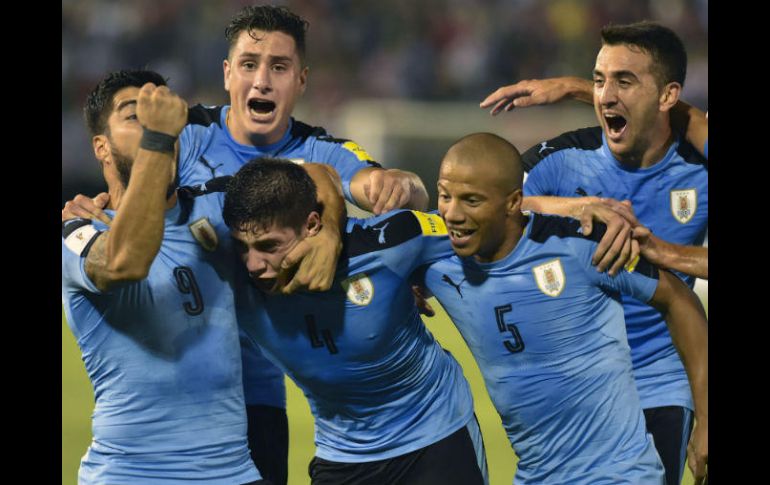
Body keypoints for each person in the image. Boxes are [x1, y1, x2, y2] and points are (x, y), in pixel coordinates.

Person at [63, 7, 431, 483]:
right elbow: (132, 190)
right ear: (227, 73)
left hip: (251, 396)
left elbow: (344, 180)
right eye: (250, 64)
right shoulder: (184, 131)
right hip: (149, 430)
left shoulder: (309, 152)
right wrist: (104, 206)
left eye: (278, 67)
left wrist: (335, 230)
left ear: (301, 79)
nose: (262, 81)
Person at [479, 22, 708, 484]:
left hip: (657, 382)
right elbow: (485, 206)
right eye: (599, 80)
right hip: (571, 385)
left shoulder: (696, 170)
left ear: (668, 96)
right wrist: (573, 206)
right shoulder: (561, 159)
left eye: (624, 80)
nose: (605, 95)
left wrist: (661, 251)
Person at [422, 132, 708, 484]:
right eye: (445, 196)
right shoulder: (434, 254)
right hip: (536, 475)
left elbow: (677, 298)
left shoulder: (581, 245)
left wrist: (706, 418)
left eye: (471, 200)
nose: (452, 213)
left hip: (619, 473)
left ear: (513, 203)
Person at [223, 157, 487, 485]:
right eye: (242, 247)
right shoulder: (229, 274)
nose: (253, 265)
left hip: (436, 434)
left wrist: (424, 274)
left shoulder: (388, 243)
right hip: (343, 454)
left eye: (269, 246)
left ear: (312, 225)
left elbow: (488, 226)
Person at [62, 72, 267, 484]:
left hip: (235, 473)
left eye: (164, 117)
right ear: (101, 147)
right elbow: (124, 262)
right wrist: (156, 140)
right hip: (131, 474)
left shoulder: (219, 209)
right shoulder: (78, 232)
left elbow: (304, 183)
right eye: (134, 116)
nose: (158, 127)